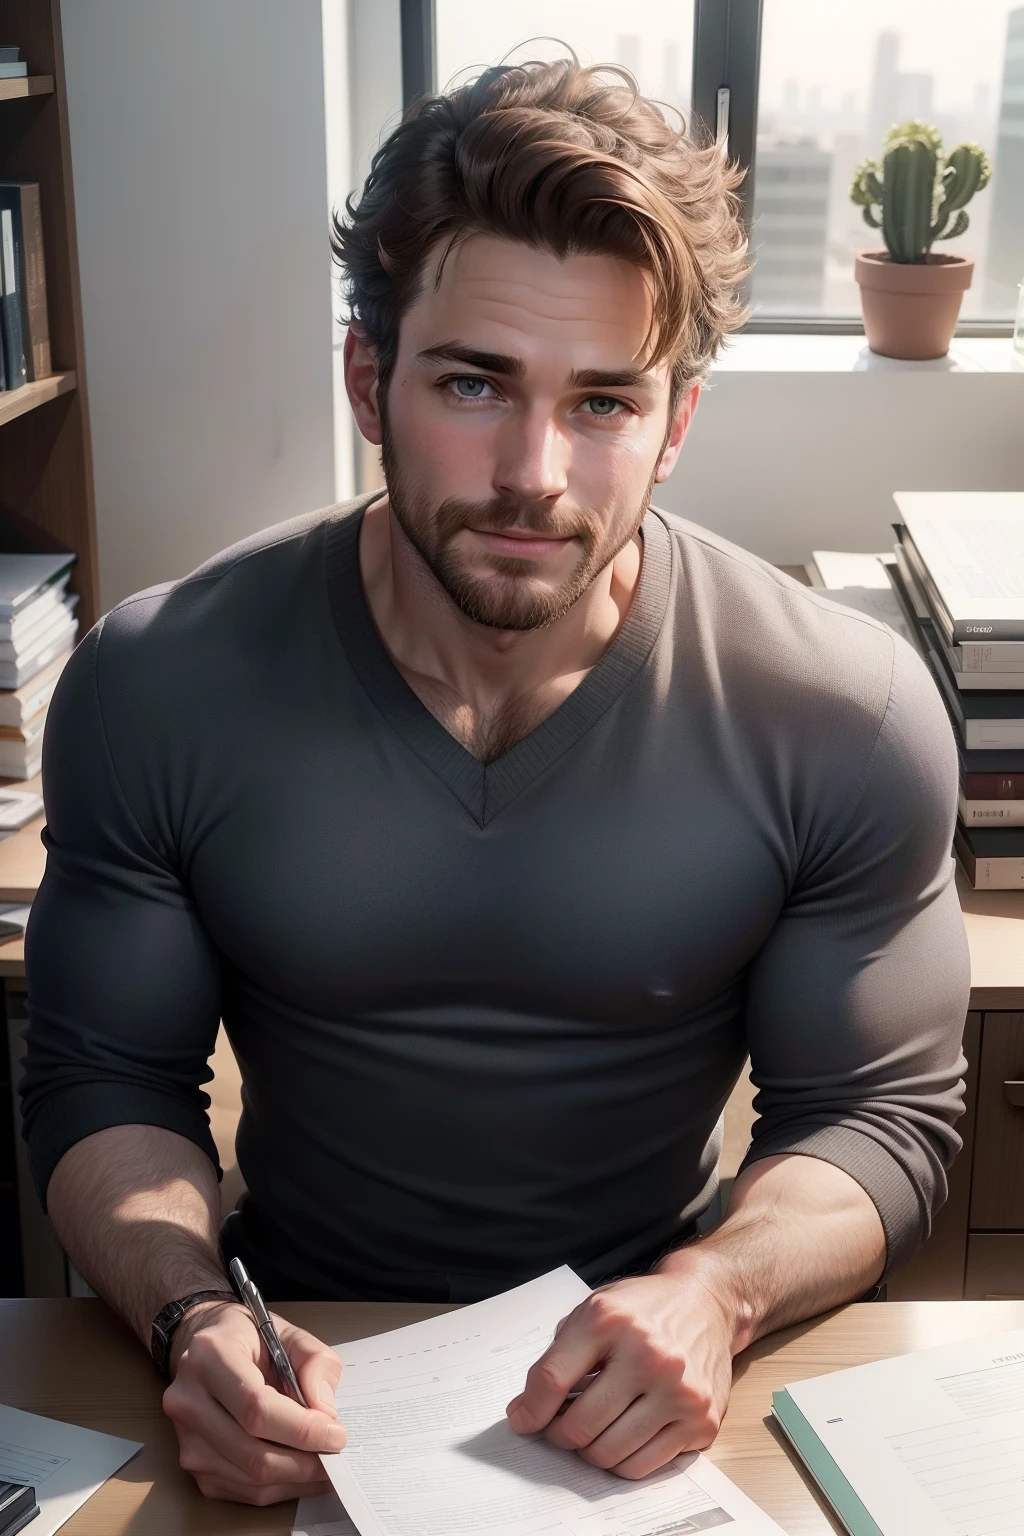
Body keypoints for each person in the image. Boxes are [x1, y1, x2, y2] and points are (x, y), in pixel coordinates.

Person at [21, 55, 970, 1509]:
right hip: (288, 1363)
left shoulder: (844, 711)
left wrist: (715, 1294)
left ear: (678, 422)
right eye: (475, 383)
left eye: (603, 403)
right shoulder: (159, 682)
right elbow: (104, 1082)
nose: (536, 471)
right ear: (368, 379)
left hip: (651, 1385)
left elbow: (879, 1120)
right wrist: (189, 1307)